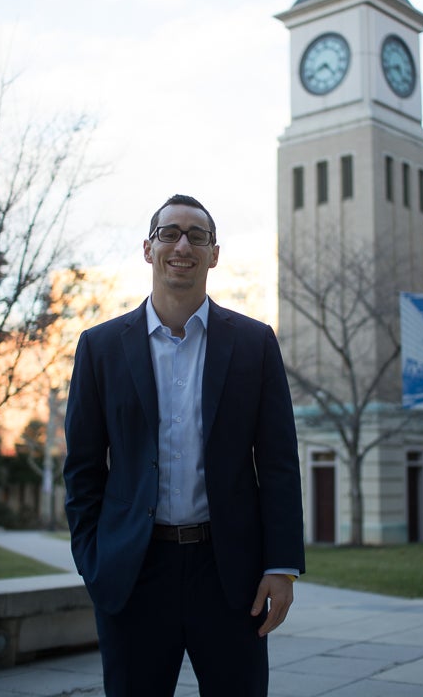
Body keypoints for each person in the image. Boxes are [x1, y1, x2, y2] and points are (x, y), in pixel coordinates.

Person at [63, 194, 305, 697]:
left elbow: (279, 463)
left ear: (214, 254)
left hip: (229, 576)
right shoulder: (100, 348)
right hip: (134, 574)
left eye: (197, 236)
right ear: (148, 249)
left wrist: (281, 566)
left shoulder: (255, 345)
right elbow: (83, 469)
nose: (182, 245)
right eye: (170, 233)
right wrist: (94, 561)